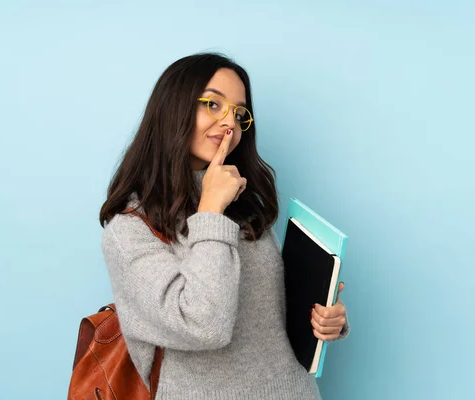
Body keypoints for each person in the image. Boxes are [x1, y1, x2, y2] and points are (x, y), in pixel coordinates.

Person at [99, 52, 349, 399]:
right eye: (213, 105)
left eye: (239, 112)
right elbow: (204, 326)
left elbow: (267, 315)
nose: (230, 122)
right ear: (174, 107)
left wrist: (322, 321)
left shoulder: (245, 204)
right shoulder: (129, 231)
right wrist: (211, 209)